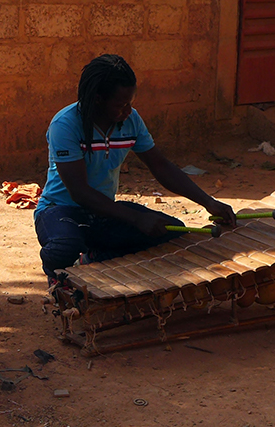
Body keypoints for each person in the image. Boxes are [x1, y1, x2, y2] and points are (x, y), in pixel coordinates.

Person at [35, 54, 237, 283]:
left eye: (130, 103)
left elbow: (160, 166)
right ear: (98, 99)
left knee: (172, 232)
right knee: (64, 247)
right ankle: (58, 279)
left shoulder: (131, 121)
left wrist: (208, 202)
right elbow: (79, 192)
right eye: (120, 105)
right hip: (60, 211)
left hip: (104, 211)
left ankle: (94, 258)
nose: (128, 111)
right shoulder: (65, 125)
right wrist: (135, 219)